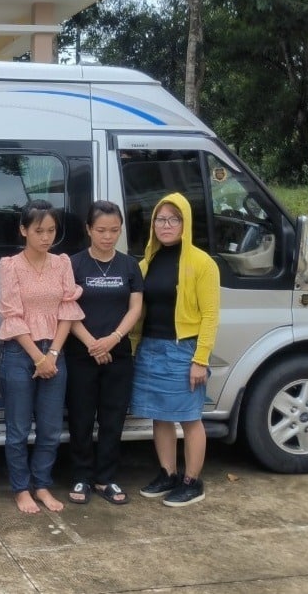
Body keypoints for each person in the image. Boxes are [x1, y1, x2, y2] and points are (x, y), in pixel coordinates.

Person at [132, 193, 220, 507]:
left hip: (184, 351)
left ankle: (192, 481)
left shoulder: (202, 263)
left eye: (174, 219)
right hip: (151, 348)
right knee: (160, 417)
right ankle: (167, 474)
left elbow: (210, 315)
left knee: (190, 418)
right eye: (160, 219)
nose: (166, 225)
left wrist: (200, 359)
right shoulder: (147, 262)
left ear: (185, 223)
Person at [0, 199, 84, 513]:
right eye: (39, 231)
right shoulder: (10, 266)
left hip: (55, 351)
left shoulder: (62, 263)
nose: (46, 237)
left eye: (51, 230)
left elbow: (68, 310)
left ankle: (42, 485)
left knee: (50, 428)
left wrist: (53, 354)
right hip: (20, 353)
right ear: (24, 230)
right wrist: (38, 357)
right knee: (18, 429)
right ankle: (21, 489)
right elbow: (12, 315)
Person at [65, 201, 144, 506]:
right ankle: (81, 476)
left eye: (114, 230)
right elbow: (67, 309)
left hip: (118, 353)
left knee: (113, 417)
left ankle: (106, 477)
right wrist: (92, 344)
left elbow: (135, 307)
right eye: (101, 230)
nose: (108, 236)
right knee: (81, 417)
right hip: (81, 352)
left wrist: (112, 339)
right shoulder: (74, 264)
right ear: (88, 229)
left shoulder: (129, 265)